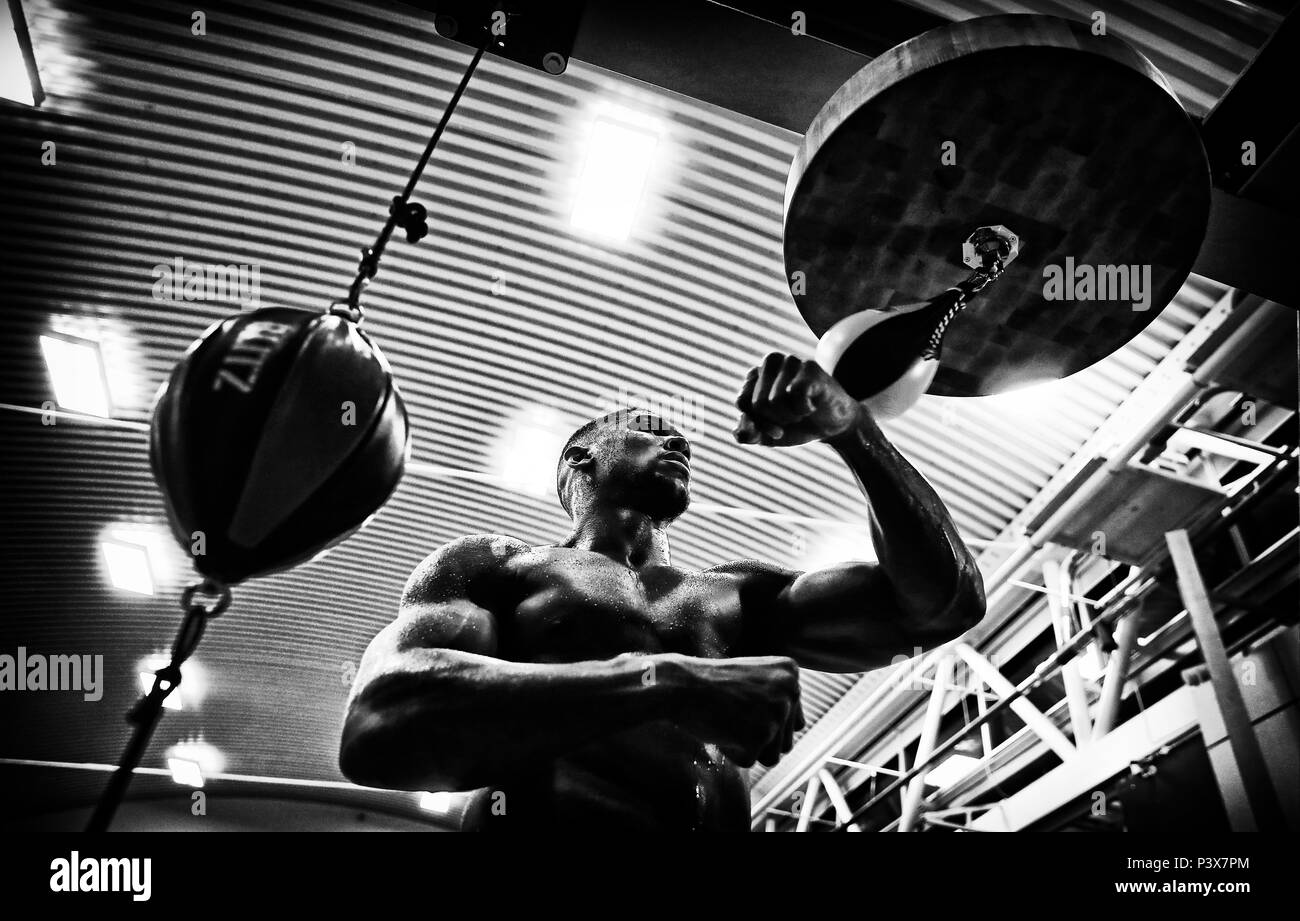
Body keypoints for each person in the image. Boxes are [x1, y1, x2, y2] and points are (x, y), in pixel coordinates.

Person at [339, 352, 985, 830]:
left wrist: (854, 430)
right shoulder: (497, 565)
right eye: (647, 429)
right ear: (582, 461)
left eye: (676, 436)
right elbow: (378, 722)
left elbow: (944, 602)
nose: (676, 440)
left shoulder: (734, 594)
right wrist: (669, 681)